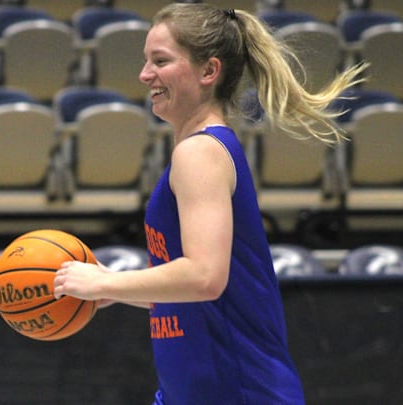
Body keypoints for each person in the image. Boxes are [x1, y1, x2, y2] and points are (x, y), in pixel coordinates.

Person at [53, 3, 366, 404]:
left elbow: (204, 277)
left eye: (160, 61)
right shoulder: (201, 148)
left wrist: (103, 282)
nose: (144, 74)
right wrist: (115, 291)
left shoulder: (200, 152)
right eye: (146, 61)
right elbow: (202, 295)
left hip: (238, 391)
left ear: (208, 71)